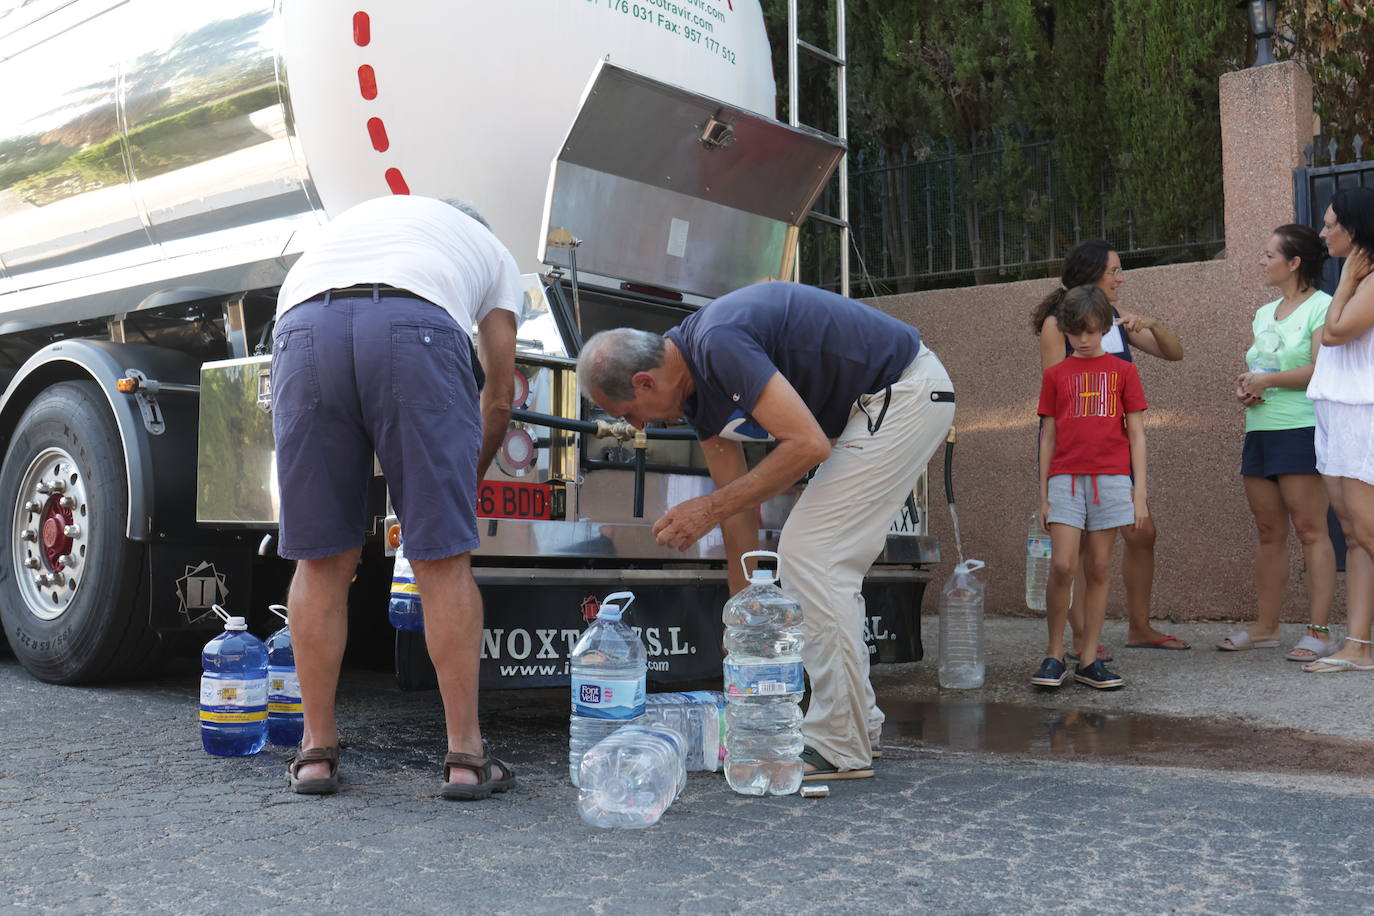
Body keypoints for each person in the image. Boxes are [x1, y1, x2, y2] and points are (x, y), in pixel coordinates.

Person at [576, 281, 955, 779]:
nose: (638, 427)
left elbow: (808, 445)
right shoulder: (695, 391)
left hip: (903, 391)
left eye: (628, 414)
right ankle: (856, 727)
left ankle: (840, 742)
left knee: (813, 556)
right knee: (820, 561)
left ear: (645, 383)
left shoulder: (717, 343)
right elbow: (738, 507)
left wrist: (707, 508)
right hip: (883, 404)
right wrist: (743, 626)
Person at [271, 195, 520, 796]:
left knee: (321, 559)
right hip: (415, 331)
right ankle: (467, 758)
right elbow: (499, 397)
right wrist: (464, 483)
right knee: (441, 559)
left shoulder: (368, 221)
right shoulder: (491, 251)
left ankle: (316, 752)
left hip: (303, 330)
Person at [1031, 240, 1185, 659]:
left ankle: (1139, 626)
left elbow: (1174, 353)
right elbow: (1057, 400)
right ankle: (1082, 639)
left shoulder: (1114, 319)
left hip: (1116, 452)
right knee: (1077, 551)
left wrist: (1152, 323)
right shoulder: (1056, 324)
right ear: (1090, 274)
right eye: (1114, 271)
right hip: (1073, 452)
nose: (1121, 278)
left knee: (1141, 532)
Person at [1218, 225, 1336, 660]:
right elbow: (1261, 368)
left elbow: (1320, 369)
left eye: (1269, 255)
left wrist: (1267, 381)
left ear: (1294, 262)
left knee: (1310, 530)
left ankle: (1319, 632)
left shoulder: (1323, 307)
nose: (1262, 262)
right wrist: (1248, 388)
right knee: (1269, 532)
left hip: (1300, 429)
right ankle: (1266, 628)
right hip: (1260, 431)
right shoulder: (1264, 313)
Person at [1031, 285, 1148, 690]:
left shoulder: (1123, 371)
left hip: (1112, 479)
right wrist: (1043, 495)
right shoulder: (1056, 375)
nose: (1083, 339)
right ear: (1064, 329)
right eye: (1075, 331)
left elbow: (1137, 434)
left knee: (1098, 567)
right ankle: (1054, 654)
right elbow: (1048, 435)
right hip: (1065, 478)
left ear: (1104, 328)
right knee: (1063, 565)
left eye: (1091, 331)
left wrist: (1139, 492)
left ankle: (1089, 658)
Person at [1303, 187, 1374, 673]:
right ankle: (1358, 646)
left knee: (1367, 530)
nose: (1323, 233)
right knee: (1352, 534)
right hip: (1333, 409)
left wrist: (1346, 278)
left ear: (1355, 228)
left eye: (1331, 225)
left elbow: (1335, 332)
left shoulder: (1366, 280)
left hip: (1361, 412)